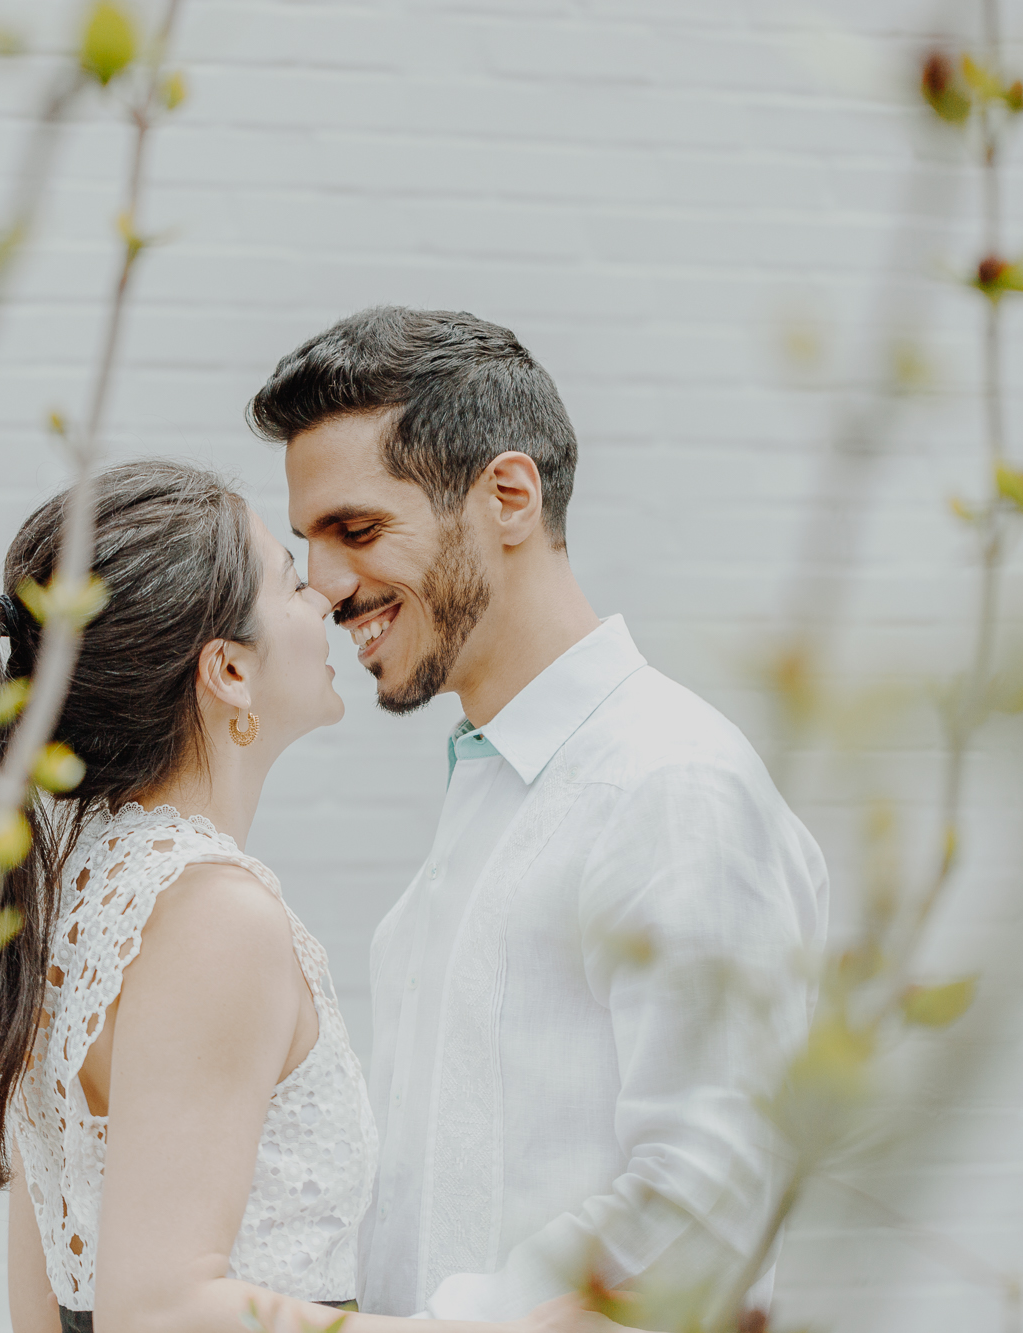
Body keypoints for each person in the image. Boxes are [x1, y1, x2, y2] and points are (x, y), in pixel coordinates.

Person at [0, 460, 609, 1333]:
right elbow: (159, 1307)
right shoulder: (209, 915)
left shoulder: (76, 899)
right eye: (289, 579)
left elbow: (45, 1306)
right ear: (229, 673)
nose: (324, 601)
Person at [251, 308, 831, 1321]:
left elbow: (706, 1204)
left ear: (506, 496)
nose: (327, 586)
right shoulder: (497, 787)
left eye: (355, 529)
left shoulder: (668, 784)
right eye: (308, 543)